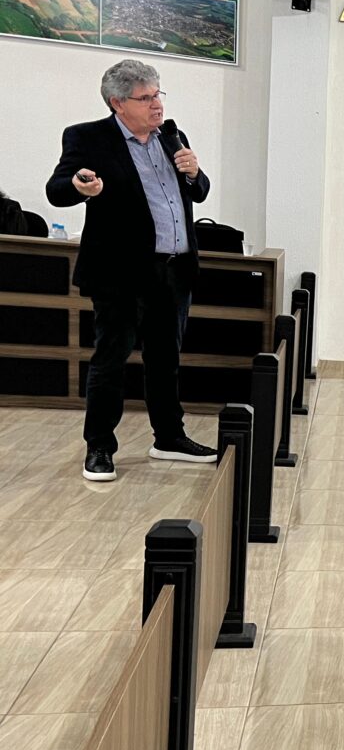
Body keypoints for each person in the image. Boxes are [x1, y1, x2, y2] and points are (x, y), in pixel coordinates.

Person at [44, 59, 216, 482]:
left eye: (158, 94)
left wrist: (196, 175)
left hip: (173, 271)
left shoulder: (172, 136)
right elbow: (58, 188)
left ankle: (169, 437)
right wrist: (80, 188)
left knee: (166, 359)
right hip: (120, 275)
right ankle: (100, 447)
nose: (157, 104)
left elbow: (198, 191)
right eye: (146, 97)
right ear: (118, 103)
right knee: (111, 360)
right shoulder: (88, 138)